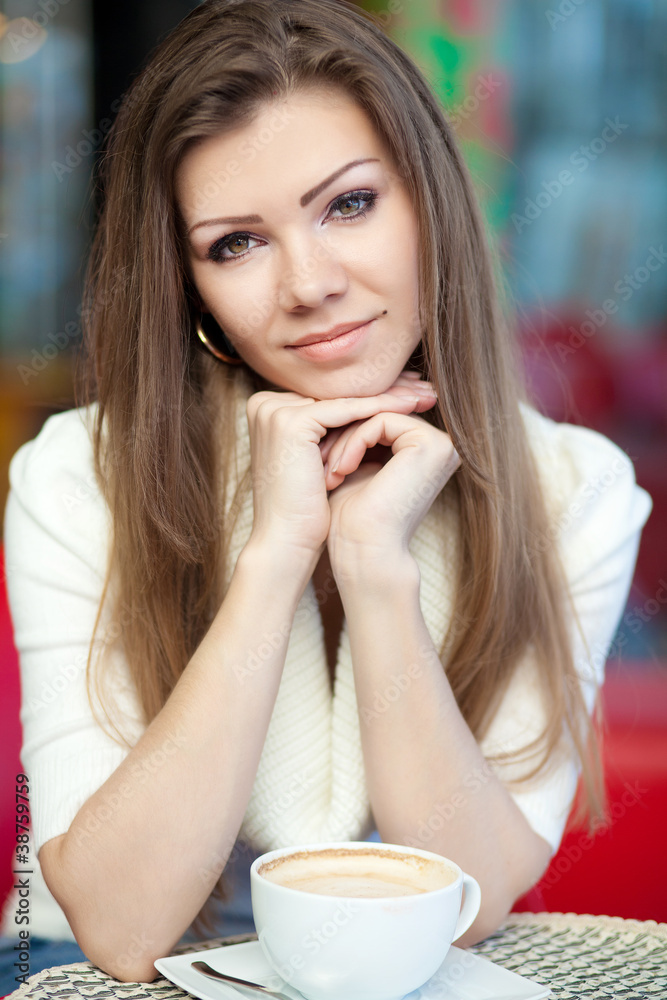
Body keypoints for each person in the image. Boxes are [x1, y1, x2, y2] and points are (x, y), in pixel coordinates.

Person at [0, 0, 652, 990]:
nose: (308, 284)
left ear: (430, 205)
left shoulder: (572, 488)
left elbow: (472, 901)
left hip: (405, 970)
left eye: (348, 204)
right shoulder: (77, 475)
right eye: (235, 244)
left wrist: (374, 566)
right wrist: (272, 558)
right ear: (191, 290)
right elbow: (120, 929)